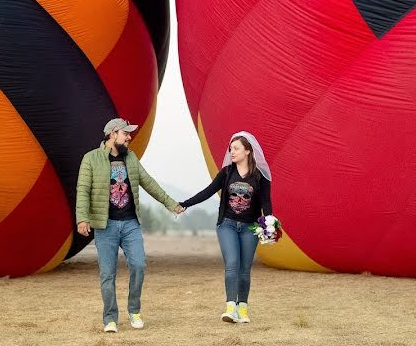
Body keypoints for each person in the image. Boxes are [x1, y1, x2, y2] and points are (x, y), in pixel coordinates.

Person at [75, 118, 183, 333]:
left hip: (130, 223)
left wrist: (171, 203)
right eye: (126, 133)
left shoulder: (130, 158)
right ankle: (110, 318)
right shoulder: (91, 159)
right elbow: (83, 189)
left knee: (139, 265)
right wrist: (82, 218)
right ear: (114, 133)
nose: (130, 137)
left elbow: (148, 182)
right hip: (105, 226)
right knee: (108, 275)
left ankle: (134, 310)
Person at [179, 131, 273, 324]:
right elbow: (208, 191)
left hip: (250, 227)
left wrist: (269, 224)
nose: (232, 152)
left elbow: (266, 202)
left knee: (244, 269)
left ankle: (243, 309)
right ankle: (230, 307)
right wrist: (185, 203)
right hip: (227, 225)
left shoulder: (260, 176)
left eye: (236, 148)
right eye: (230, 149)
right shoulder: (226, 173)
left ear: (247, 151)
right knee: (232, 265)